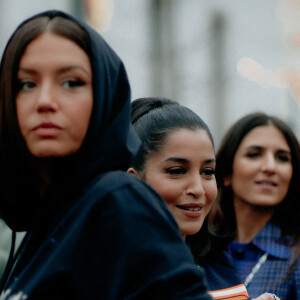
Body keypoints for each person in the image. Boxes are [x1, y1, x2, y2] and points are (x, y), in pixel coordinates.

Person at [0, 10, 213, 300]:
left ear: (104, 95)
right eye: (27, 83)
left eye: (71, 82)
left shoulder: (119, 201)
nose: (45, 101)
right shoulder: (54, 215)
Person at [128, 97, 279, 300]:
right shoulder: (108, 273)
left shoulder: (218, 264)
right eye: (177, 170)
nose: (198, 189)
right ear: (133, 181)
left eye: (207, 172)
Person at [210, 112, 300, 299]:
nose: (270, 167)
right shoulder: (201, 252)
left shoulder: (295, 258)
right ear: (227, 173)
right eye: (254, 155)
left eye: (282, 158)